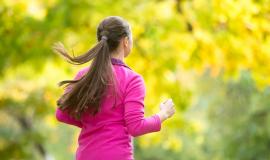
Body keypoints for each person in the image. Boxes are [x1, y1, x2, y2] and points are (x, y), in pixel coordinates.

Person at [52, 16, 175, 160]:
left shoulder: (84, 74)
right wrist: (163, 115)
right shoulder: (133, 80)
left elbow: (61, 114)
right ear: (125, 41)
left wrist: (91, 122)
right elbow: (135, 127)